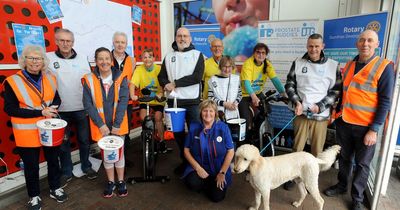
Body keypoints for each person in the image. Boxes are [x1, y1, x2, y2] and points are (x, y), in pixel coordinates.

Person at [324, 30, 395, 210]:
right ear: (357, 43)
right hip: (345, 123)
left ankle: (357, 198)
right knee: (345, 159)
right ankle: (341, 186)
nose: (365, 43)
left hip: (366, 127)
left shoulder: (384, 66)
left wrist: (374, 129)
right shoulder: (349, 65)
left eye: (370, 40)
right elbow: (343, 92)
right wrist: (334, 114)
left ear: (377, 44)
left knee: (362, 165)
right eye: (362, 40)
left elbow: (386, 100)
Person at [3, 45, 68, 209]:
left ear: (43, 61)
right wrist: (40, 112)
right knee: (31, 167)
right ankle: (34, 196)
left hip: (49, 128)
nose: (34, 61)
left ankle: (55, 188)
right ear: (24, 60)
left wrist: (53, 108)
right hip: (27, 132)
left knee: (54, 161)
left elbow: (57, 99)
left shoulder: (50, 78)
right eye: (30, 58)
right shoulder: (13, 81)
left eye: (38, 58)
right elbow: (9, 109)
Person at [283, 33, 341, 190]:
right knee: (297, 147)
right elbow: (289, 84)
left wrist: (320, 106)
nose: (313, 49)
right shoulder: (298, 62)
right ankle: (292, 176)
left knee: (317, 150)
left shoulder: (333, 65)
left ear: (322, 46)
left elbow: (336, 90)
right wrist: (296, 101)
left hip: (320, 116)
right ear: (307, 46)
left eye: (317, 46)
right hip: (300, 113)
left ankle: (311, 180)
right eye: (310, 46)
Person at [47, 28, 97, 187]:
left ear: (73, 42)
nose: (65, 43)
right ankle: (67, 171)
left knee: (84, 140)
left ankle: (86, 166)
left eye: (68, 40)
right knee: (63, 144)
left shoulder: (83, 59)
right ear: (56, 41)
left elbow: (90, 83)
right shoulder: (48, 59)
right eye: (61, 40)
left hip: (81, 108)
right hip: (60, 111)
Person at [82, 47, 129, 198]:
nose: (104, 62)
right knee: (107, 155)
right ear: (96, 61)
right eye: (100, 59)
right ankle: (111, 182)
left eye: (107, 58)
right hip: (100, 126)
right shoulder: (88, 79)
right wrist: (101, 125)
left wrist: (116, 125)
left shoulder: (121, 77)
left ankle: (121, 181)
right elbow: (88, 104)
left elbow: (123, 102)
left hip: (118, 125)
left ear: (111, 60)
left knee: (119, 155)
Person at [158, 27, 205, 175]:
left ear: (190, 39)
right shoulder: (168, 56)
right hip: (174, 102)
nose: (182, 38)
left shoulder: (198, 55)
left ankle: (197, 162)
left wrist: (175, 83)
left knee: (195, 133)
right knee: (177, 134)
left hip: (192, 101)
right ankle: (185, 160)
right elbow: (161, 76)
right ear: (175, 38)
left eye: (185, 36)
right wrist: (166, 83)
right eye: (179, 36)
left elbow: (196, 77)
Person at [182, 100, 234, 202]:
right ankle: (206, 182)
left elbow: (230, 151)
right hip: (200, 166)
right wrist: (198, 168)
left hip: (218, 168)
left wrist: (222, 172)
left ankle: (211, 183)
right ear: (201, 112)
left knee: (216, 198)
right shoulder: (193, 127)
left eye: (211, 111)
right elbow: (186, 150)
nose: (208, 114)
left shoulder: (223, 128)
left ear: (215, 113)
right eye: (205, 111)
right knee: (192, 183)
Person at [239, 43, 285, 139]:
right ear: (254, 53)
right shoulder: (248, 63)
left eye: (263, 53)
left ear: (266, 54)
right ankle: (247, 135)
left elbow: (275, 80)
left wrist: (283, 94)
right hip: (244, 94)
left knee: (267, 109)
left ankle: (257, 127)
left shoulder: (267, 64)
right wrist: (254, 97)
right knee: (246, 120)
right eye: (258, 52)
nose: (260, 55)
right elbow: (247, 83)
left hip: (258, 92)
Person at [130, 48, 166, 148]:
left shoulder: (159, 69)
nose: (147, 59)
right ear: (142, 59)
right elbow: (132, 84)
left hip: (157, 99)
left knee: (158, 117)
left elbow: (165, 83)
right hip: (145, 99)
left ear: (154, 58)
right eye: (145, 57)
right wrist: (133, 95)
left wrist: (162, 93)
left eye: (150, 57)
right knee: (143, 117)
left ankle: (162, 140)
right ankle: (148, 135)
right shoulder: (139, 69)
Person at [111, 31, 136, 142]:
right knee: (112, 128)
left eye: (123, 42)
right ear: (113, 43)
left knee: (126, 128)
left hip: (126, 100)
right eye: (117, 42)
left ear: (126, 44)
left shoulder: (132, 60)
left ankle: (124, 154)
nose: (120, 45)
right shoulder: (107, 58)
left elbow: (133, 80)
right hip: (110, 100)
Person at [208, 56, 242, 121]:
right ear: (220, 67)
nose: (227, 69)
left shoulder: (236, 79)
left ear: (233, 67)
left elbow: (240, 95)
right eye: (224, 66)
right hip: (218, 113)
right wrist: (224, 103)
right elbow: (210, 97)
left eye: (229, 67)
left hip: (233, 113)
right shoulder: (213, 80)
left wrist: (235, 103)